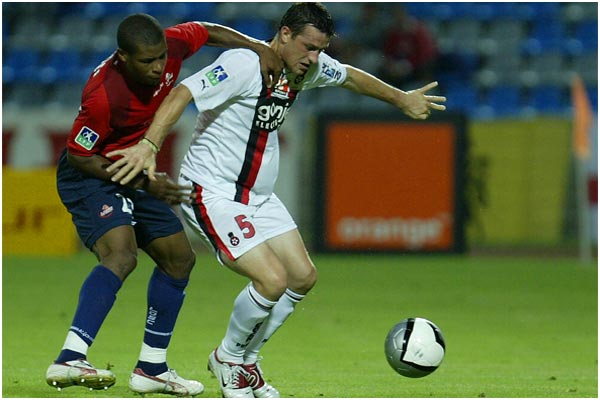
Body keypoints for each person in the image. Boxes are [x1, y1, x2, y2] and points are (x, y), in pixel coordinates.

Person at [106, 3, 445, 398]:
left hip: (258, 197)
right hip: (212, 191)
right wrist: (150, 145)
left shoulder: (306, 68)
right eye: (309, 47)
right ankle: (229, 360)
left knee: (302, 277)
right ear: (285, 34)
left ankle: (247, 362)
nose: (314, 58)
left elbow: (349, 76)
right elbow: (184, 91)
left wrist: (401, 99)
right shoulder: (241, 64)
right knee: (271, 279)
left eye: (320, 49)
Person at [46, 13, 283, 396]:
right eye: (147, 61)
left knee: (178, 258)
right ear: (123, 57)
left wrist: (257, 47)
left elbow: (207, 31)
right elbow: (79, 155)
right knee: (121, 255)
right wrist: (145, 183)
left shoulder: (171, 45)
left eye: (160, 57)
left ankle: (151, 368)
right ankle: (70, 357)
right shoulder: (104, 96)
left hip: (133, 168)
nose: (158, 67)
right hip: (92, 174)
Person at [379, 4, 439, 88]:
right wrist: (391, 64)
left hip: (416, 69)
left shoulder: (418, 33)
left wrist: (409, 65)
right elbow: (387, 52)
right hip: (396, 67)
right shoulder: (393, 33)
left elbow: (425, 55)